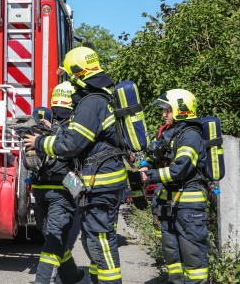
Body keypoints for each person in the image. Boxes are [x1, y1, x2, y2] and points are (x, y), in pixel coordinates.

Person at [24, 47, 127, 284]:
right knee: (92, 239)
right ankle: (85, 278)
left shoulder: (91, 104)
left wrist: (39, 142)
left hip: (100, 182)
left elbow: (71, 145)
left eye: (69, 75)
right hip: (94, 181)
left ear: (77, 75)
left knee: (99, 240)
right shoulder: (98, 99)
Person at [139, 89, 209, 284]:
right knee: (172, 253)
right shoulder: (170, 134)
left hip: (189, 207)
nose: (164, 114)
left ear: (181, 110)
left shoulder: (191, 136)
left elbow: (181, 170)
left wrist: (150, 176)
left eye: (167, 110)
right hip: (169, 204)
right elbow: (157, 158)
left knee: (192, 256)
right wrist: (146, 166)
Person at [30, 81, 85, 284]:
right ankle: (70, 275)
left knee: (52, 237)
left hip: (54, 191)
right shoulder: (74, 127)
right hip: (52, 189)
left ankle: (43, 281)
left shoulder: (52, 126)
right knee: (52, 236)